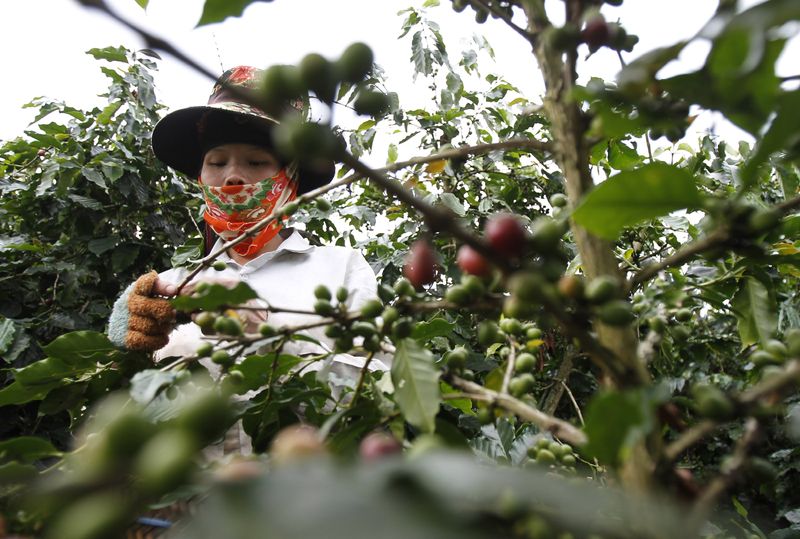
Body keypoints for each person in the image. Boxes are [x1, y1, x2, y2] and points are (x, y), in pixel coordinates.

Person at [107, 66, 391, 422]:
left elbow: (380, 394)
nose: (232, 176)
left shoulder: (341, 269)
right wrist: (124, 348)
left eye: (257, 162)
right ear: (200, 177)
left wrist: (268, 340)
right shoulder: (173, 287)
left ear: (291, 179)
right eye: (216, 162)